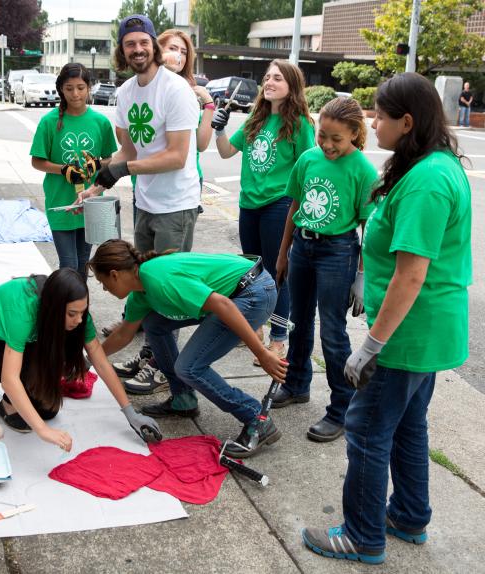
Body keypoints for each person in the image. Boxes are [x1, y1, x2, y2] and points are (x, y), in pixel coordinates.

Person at [302, 73, 471, 564]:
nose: (372, 123)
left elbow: (411, 275)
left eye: (379, 115)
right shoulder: (429, 166)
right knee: (408, 425)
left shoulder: (427, 180)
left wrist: (370, 345)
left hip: (406, 336)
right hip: (422, 333)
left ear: (407, 121)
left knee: (368, 429)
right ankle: (410, 516)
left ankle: (361, 535)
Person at [78, 14, 201, 396]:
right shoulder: (126, 93)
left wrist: (124, 169)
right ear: (122, 49)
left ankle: (159, 367)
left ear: (155, 46)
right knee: (143, 284)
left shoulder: (176, 90)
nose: (137, 49)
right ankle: (152, 357)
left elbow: (178, 156)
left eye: (142, 42)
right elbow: (128, 150)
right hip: (146, 203)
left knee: (165, 290)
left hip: (176, 204)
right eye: (129, 43)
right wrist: (100, 179)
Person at [91, 239, 289, 458]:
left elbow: (223, 305)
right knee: (153, 324)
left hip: (252, 293)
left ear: (115, 274)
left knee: (189, 367)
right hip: (236, 293)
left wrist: (262, 353)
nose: (104, 288)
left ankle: (256, 419)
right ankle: (183, 400)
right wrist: (89, 359)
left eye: (103, 282)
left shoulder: (159, 279)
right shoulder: (141, 293)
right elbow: (123, 333)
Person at [273, 97, 379, 442]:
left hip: (338, 251)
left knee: (332, 332)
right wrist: (284, 252)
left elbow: (367, 228)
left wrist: (361, 276)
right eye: (323, 136)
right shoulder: (307, 159)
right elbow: (295, 205)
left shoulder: (363, 170)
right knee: (298, 322)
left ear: (354, 135)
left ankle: (341, 409)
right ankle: (296, 384)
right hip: (303, 247)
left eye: (337, 139)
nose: (328, 145)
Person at [0, 268, 162, 450]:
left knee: (48, 411)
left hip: (25, 342)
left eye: (83, 312)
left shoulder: (75, 313)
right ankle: (4, 399)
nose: (79, 320)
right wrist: (42, 430)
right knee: (32, 374)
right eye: (72, 314)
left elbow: (100, 360)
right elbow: (10, 378)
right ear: (53, 307)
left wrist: (130, 413)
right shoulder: (21, 312)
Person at [212, 59, 315, 364]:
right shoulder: (254, 120)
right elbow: (225, 151)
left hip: (279, 205)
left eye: (278, 79)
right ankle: (254, 329)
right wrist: (219, 128)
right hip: (249, 205)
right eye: (267, 78)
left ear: (292, 87)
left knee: (277, 274)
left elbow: (309, 166)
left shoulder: (299, 124)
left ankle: (278, 340)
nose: (269, 83)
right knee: (252, 271)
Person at [30, 63, 117, 280]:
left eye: (80, 87)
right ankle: (67, 309)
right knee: (68, 264)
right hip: (60, 202)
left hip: (89, 202)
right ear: (61, 89)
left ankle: (79, 311)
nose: (75, 94)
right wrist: (64, 170)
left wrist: (95, 164)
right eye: (69, 88)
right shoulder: (49, 122)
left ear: (88, 87)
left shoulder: (101, 122)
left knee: (83, 264)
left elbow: (110, 159)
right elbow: (37, 161)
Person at [157, 29, 215, 199]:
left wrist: (209, 104)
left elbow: (201, 144)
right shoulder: (143, 87)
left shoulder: (188, 92)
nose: (178, 55)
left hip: (184, 186)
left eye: (183, 52)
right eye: (172, 48)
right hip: (147, 182)